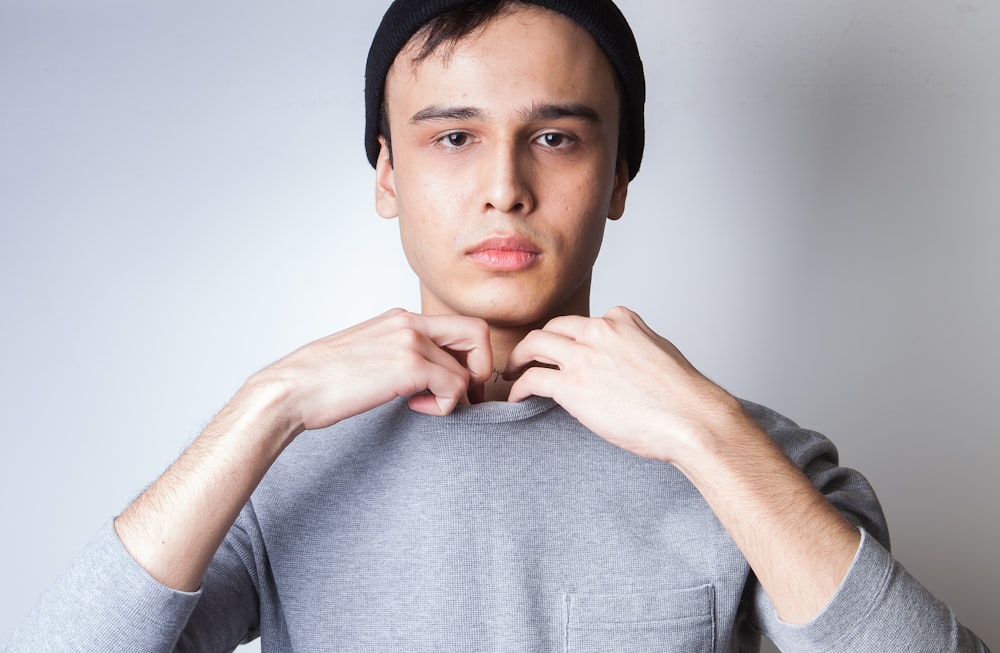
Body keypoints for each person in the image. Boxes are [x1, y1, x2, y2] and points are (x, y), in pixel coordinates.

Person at [4, 0, 991, 651]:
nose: (504, 188)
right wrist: (269, 402)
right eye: (454, 137)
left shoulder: (759, 459)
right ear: (387, 174)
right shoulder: (285, 462)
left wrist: (705, 432)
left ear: (618, 179)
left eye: (554, 138)